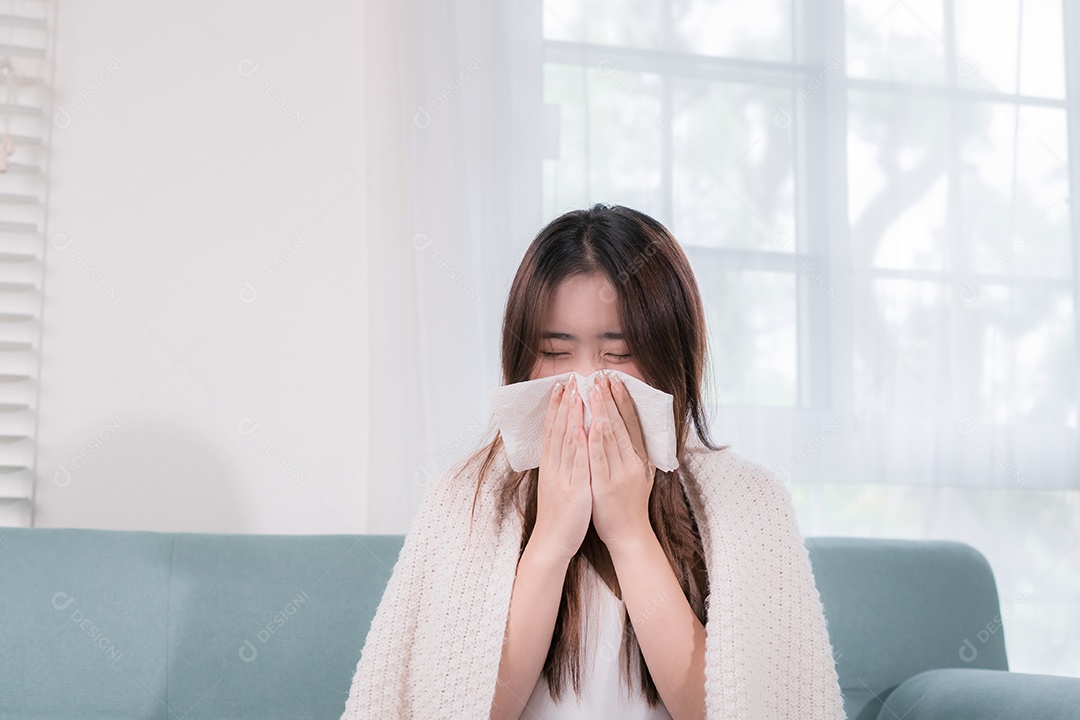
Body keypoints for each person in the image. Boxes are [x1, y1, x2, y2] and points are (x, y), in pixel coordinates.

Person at [338, 203, 846, 720]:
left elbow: (732, 710)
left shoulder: (747, 501)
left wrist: (629, 532)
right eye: (557, 352)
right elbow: (457, 708)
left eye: (618, 353)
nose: (587, 381)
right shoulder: (466, 497)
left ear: (673, 357)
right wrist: (553, 539)